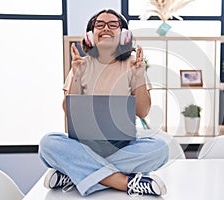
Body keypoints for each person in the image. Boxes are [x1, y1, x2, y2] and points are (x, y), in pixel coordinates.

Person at [39, 9, 169, 197]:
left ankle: (75, 173)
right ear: (91, 34)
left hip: (121, 147)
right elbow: (68, 111)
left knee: (161, 148)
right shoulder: (81, 64)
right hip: (84, 146)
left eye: (113, 24)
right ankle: (126, 182)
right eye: (99, 24)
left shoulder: (133, 65)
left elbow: (143, 112)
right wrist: (76, 74)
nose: (105, 28)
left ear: (123, 34)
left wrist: (139, 75)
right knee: (47, 144)